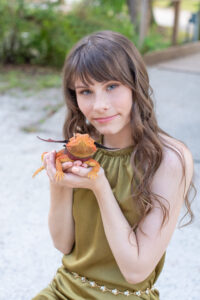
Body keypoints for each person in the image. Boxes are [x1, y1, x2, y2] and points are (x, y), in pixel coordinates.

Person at [32, 30, 196, 300]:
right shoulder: (81, 148)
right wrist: (58, 183)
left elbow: (135, 270)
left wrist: (99, 186)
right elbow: (63, 244)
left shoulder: (169, 158)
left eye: (111, 86)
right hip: (63, 290)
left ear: (135, 84)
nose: (99, 106)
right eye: (86, 91)